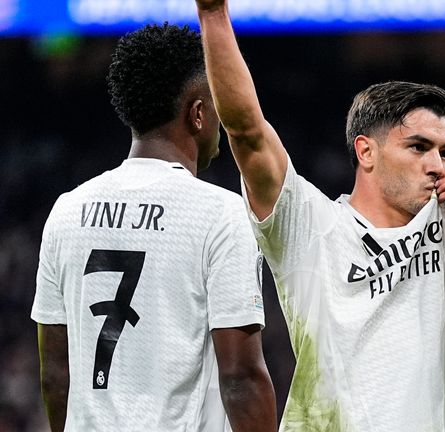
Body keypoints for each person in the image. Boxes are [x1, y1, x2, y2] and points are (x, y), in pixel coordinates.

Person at [196, 1, 445, 430]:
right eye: (418, 147)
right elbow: (246, 130)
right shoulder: (309, 224)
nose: (438, 164)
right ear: (366, 151)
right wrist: (213, 14)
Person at [31, 23, 276, 432]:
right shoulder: (218, 213)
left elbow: (55, 376)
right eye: (216, 105)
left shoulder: (66, 211)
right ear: (197, 114)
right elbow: (242, 379)